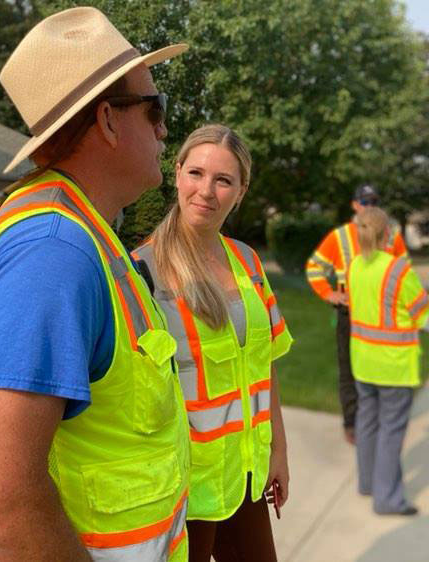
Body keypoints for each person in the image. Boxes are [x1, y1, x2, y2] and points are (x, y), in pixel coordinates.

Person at [0, 8, 191, 561]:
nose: (164, 128)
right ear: (107, 120)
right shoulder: (53, 254)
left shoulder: (87, 236)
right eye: (155, 109)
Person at [133, 124, 294, 562]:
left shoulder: (247, 260)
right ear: (177, 172)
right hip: (184, 489)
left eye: (223, 180)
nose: (206, 190)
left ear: (240, 191)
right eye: (196, 173)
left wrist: (279, 450)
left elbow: (265, 364)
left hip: (245, 476)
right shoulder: (142, 272)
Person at [347, 206, 429, 516]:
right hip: (394, 365)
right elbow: (422, 312)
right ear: (388, 233)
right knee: (391, 430)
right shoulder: (398, 269)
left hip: (363, 361)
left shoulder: (355, 266)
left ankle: (368, 484)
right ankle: (387, 499)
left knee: (367, 422)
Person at [305, 185, 408, 444]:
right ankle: (352, 423)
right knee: (349, 369)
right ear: (354, 205)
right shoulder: (340, 236)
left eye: (373, 201)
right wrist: (330, 294)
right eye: (364, 202)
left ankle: (377, 418)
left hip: (380, 314)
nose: (369, 206)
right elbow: (314, 267)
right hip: (350, 313)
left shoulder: (391, 235)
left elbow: (403, 272)